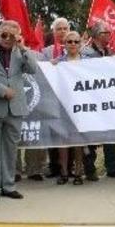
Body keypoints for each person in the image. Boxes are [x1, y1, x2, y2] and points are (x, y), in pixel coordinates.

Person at [0, 20, 39, 202]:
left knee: (11, 149)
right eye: (4, 34)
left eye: (12, 35)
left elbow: (33, 69)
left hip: (16, 108)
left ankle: (8, 185)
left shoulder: (21, 53)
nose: (7, 39)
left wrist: (23, 47)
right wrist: (2, 91)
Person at [80, 22, 115, 180]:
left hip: (108, 101)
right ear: (97, 35)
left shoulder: (109, 52)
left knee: (110, 136)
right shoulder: (85, 53)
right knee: (91, 136)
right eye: (106, 32)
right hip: (91, 101)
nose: (109, 35)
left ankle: (112, 168)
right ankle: (90, 169)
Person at [56, 31, 88, 185]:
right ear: (65, 44)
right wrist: (51, 66)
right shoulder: (57, 63)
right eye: (70, 42)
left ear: (81, 44)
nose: (73, 44)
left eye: (76, 41)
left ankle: (78, 173)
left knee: (78, 142)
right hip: (63, 105)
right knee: (63, 141)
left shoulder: (89, 62)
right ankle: (63, 173)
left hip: (82, 107)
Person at [41, 17, 70, 180]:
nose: (62, 32)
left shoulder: (77, 48)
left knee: (70, 133)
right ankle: (54, 167)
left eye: (65, 28)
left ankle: (70, 168)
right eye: (59, 29)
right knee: (53, 133)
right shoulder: (46, 51)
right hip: (52, 97)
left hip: (70, 98)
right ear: (53, 32)